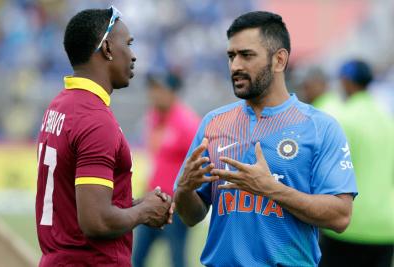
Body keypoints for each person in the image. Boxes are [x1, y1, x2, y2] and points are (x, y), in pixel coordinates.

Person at [173, 11, 357, 266]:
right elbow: (192, 216)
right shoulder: (213, 124)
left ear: (279, 60)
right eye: (231, 56)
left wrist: (269, 188)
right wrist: (183, 190)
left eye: (247, 55)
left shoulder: (320, 128)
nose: (236, 65)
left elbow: (340, 217)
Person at [35, 6, 173, 267]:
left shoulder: (59, 105)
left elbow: (78, 202)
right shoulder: (95, 119)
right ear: (107, 48)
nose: (133, 56)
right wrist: (144, 212)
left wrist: (135, 204)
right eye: (128, 45)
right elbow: (96, 221)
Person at [320, 60, 394, 267]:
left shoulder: (343, 119)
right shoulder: (388, 120)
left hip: (348, 226)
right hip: (386, 226)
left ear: (345, 81)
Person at [132, 71, 200, 267]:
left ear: (173, 92)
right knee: (136, 258)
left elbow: (201, 162)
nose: (154, 94)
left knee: (177, 259)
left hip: (175, 205)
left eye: (159, 89)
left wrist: (186, 198)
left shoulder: (187, 122)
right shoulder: (153, 117)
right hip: (152, 198)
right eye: (152, 89)